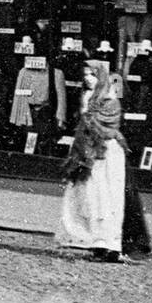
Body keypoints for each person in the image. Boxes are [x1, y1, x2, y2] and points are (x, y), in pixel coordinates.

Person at [57, 57, 129, 262]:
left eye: (92, 75)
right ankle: (96, 241)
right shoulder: (88, 97)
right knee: (91, 199)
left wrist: (89, 121)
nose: (88, 79)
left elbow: (109, 128)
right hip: (88, 153)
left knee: (107, 198)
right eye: (85, 75)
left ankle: (111, 244)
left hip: (105, 154)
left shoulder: (109, 99)